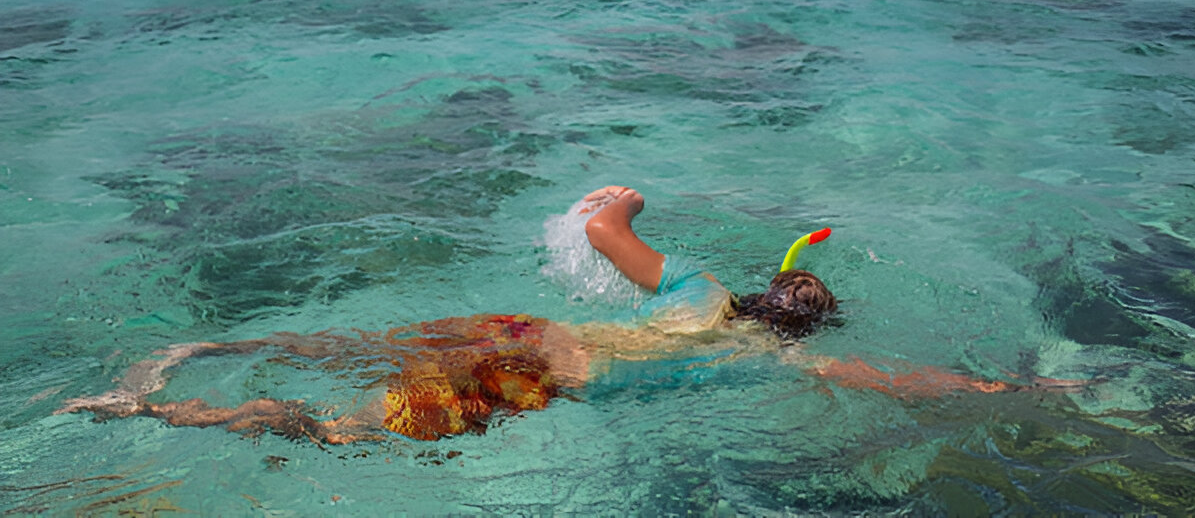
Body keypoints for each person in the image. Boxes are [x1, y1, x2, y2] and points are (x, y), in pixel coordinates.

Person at [58, 186, 1074, 445]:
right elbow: (904, 383)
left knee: (337, 346)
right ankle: (153, 414)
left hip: (520, 333)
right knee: (341, 431)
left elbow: (604, 228)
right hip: (533, 375)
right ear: (801, 328)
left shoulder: (696, 289)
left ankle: (204, 346)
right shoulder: (772, 361)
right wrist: (1005, 387)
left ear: (765, 290)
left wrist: (627, 196)